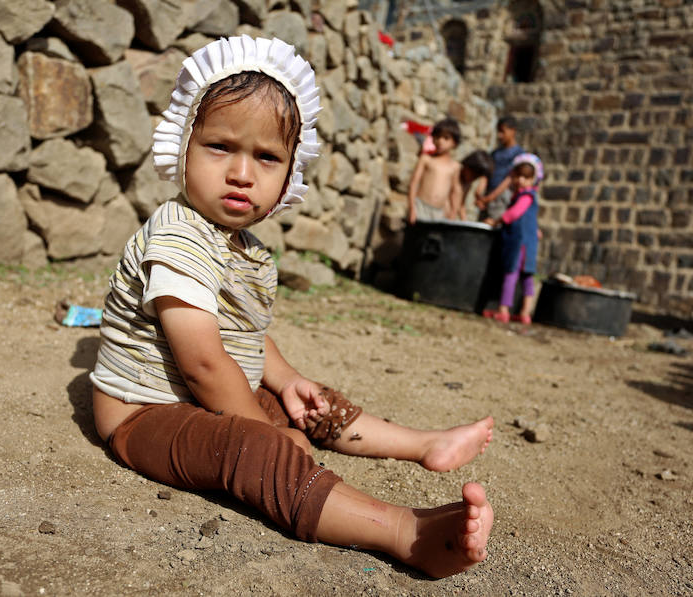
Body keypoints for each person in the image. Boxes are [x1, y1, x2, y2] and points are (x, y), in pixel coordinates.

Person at [89, 35, 495, 579]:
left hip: (207, 396)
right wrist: (264, 427)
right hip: (144, 415)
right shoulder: (179, 234)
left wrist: (284, 382)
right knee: (250, 449)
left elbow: (244, 335)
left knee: (309, 404)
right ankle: (404, 531)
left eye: (266, 157)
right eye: (219, 147)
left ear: (289, 175)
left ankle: (424, 443)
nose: (241, 173)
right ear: (183, 146)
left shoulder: (245, 249)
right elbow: (202, 361)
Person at [482, 153, 543, 324]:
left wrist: (496, 221)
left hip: (519, 243)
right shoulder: (527, 197)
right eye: (519, 176)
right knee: (527, 277)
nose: (521, 180)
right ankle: (524, 313)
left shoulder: (525, 196)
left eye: (526, 177)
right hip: (528, 244)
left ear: (533, 180)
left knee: (511, 274)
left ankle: (504, 310)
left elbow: (515, 214)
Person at [406, 118, 464, 224]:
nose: (440, 141)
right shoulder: (426, 159)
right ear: (433, 139)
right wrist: (412, 207)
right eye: (438, 137)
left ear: (454, 143)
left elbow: (455, 191)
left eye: (446, 138)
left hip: (439, 213)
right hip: (420, 208)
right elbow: (413, 183)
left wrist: (453, 213)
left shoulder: (455, 167)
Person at [475, 116, 523, 221]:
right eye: (498, 131)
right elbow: (487, 172)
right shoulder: (495, 153)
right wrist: (480, 191)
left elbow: (510, 178)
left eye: (503, 131)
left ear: (512, 131)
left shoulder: (518, 154)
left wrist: (491, 197)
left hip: (502, 197)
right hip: (488, 194)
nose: (499, 135)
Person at [458, 150, 494, 221]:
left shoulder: (467, 184)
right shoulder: (454, 172)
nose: (473, 179)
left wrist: (465, 222)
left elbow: (460, 204)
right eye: (473, 175)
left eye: (476, 177)